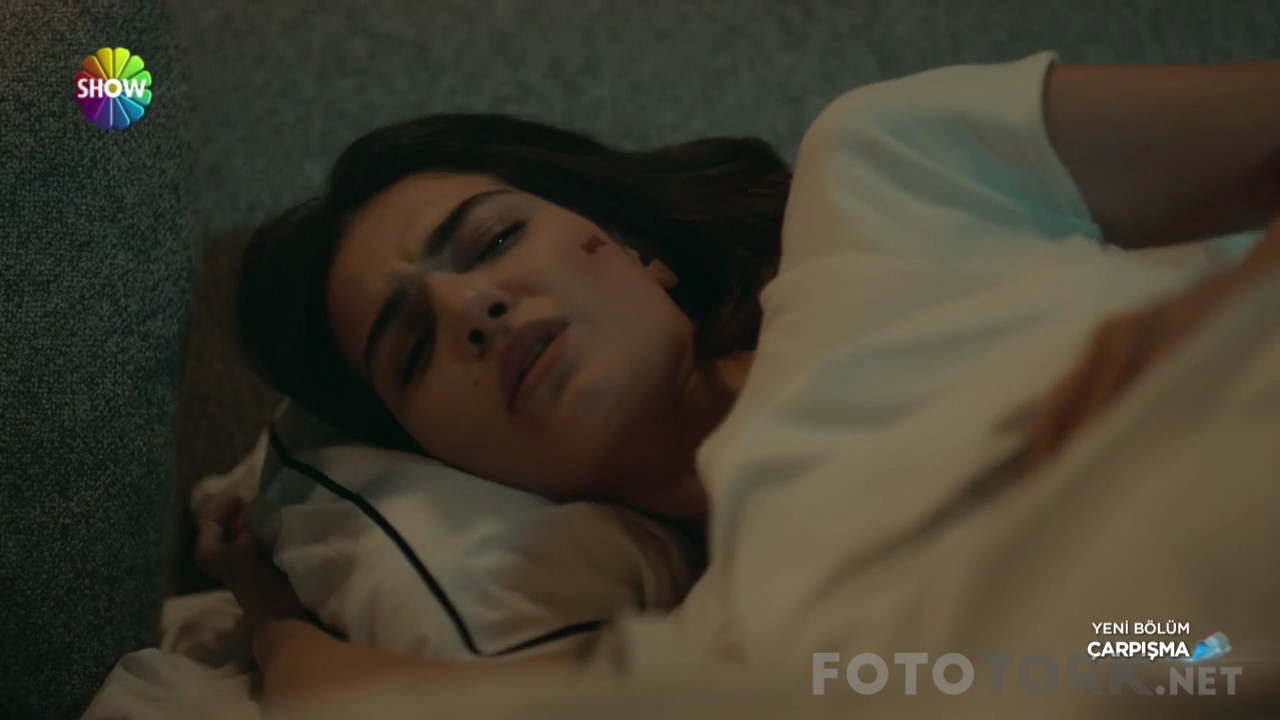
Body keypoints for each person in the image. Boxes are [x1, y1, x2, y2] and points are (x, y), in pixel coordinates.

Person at [200, 51, 1280, 711]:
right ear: (447, 460)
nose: (467, 308)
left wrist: (1197, 323)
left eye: (491, 241)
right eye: (412, 349)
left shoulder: (879, 177)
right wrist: (269, 606)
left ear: (632, 246)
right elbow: (1183, 652)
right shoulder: (738, 653)